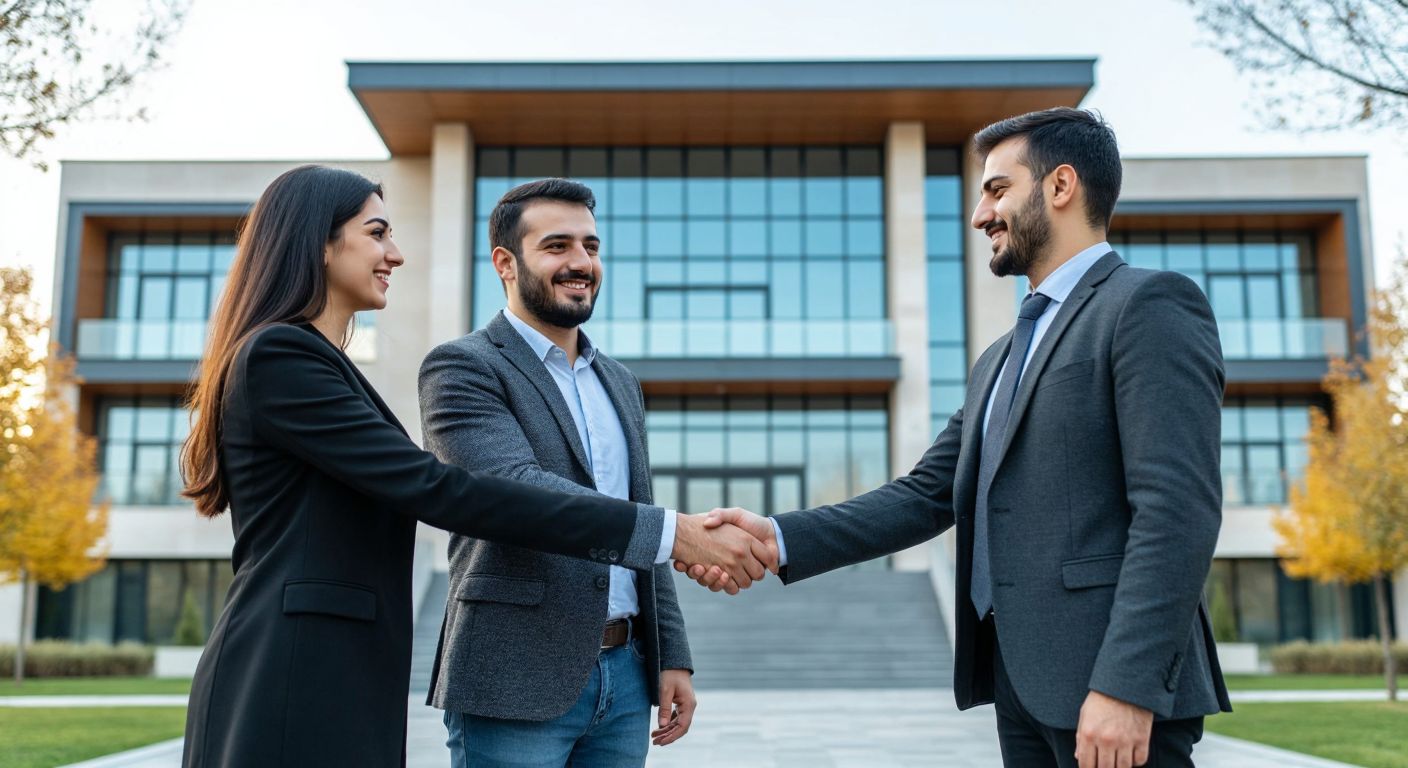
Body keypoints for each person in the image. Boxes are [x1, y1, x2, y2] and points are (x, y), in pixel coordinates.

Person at [682, 108, 1233, 768]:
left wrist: (1125, 685)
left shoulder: (1149, 306)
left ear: (1060, 186)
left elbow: (1177, 512)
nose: (979, 215)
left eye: (997, 189)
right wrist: (777, 536)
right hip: (1022, 687)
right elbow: (924, 495)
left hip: (1108, 691)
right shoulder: (998, 359)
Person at [178, 165, 772, 768]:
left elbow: (626, 495)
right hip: (296, 664)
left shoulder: (323, 364)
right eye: (377, 233)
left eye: (591, 245)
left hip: (346, 658)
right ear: (319, 243)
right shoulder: (286, 356)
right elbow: (447, 488)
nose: (396, 254)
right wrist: (676, 534)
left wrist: (669, 641)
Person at [418, 178, 694, 766]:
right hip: (512, 677)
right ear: (505, 263)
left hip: (625, 678)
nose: (581, 263)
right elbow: (512, 488)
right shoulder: (462, 367)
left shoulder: (620, 381)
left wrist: (671, 653)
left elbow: (637, 509)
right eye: (557, 246)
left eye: (591, 247)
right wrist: (681, 531)